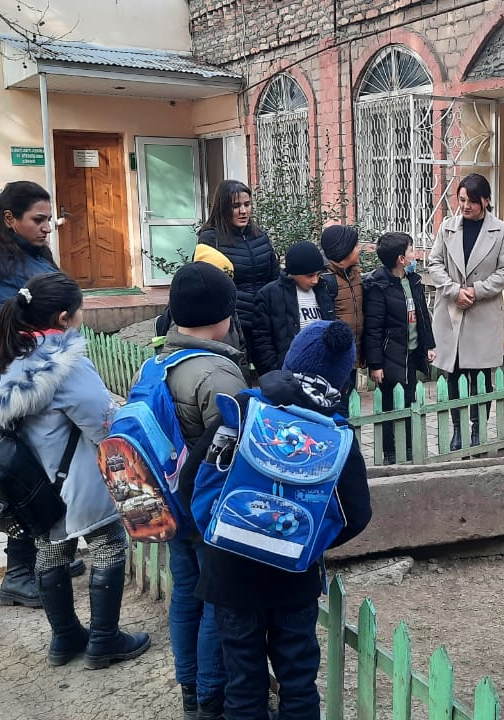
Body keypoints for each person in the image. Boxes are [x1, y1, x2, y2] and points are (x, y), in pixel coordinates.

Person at [194, 320, 372, 720]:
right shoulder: (336, 434)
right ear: (341, 378)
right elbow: (358, 513)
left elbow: (194, 481)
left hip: (230, 573)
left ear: (292, 359)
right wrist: (308, 542)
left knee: (243, 682)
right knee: (298, 681)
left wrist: (219, 533)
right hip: (293, 576)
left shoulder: (242, 409)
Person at [0, 272, 151, 670]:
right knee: (108, 544)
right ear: (64, 317)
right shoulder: (66, 366)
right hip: (77, 481)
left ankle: (64, 637)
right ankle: (105, 639)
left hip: (35, 487)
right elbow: (103, 425)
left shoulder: (6, 363)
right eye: (80, 310)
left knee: (51, 549)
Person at [0, 181, 82, 607]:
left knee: (53, 468)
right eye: (38, 220)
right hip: (10, 385)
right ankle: (19, 574)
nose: (47, 227)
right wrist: (16, 387)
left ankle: (49, 554)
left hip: (38, 377)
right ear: (10, 219)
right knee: (26, 474)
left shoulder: (30, 255)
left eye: (49, 219)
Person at [156, 262, 248, 720]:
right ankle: (213, 697)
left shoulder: (159, 362)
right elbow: (236, 450)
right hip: (207, 510)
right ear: (224, 314)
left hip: (170, 504)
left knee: (184, 595)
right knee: (216, 600)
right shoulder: (218, 375)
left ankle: (190, 690)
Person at [425, 173, 504, 451]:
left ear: (485, 201)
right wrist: (454, 290)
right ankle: (458, 430)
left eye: (472, 201)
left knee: (480, 378)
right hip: (452, 311)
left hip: (482, 312)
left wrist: (477, 290)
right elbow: (434, 263)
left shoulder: (500, 230)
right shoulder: (447, 228)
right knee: (453, 376)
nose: (465, 206)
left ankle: (478, 430)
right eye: (462, 200)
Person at [363, 232, 436, 465]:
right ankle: (390, 451)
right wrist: (375, 364)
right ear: (400, 259)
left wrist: (428, 345)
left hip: (411, 354)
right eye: (411, 250)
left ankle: (409, 448)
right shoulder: (378, 286)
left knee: (409, 400)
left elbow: (423, 317)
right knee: (388, 405)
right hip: (389, 356)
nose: (415, 254)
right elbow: (373, 328)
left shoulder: (414, 281)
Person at [197, 180, 277, 370]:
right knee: (237, 378)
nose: (243, 211)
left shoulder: (260, 236)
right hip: (232, 326)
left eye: (247, 204)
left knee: (273, 376)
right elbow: (207, 285)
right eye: (235, 206)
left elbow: (274, 276)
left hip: (263, 322)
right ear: (223, 208)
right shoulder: (211, 239)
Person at [251, 241, 336, 376]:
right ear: (294, 272)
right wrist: (275, 371)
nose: (315, 280)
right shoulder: (269, 295)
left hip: (321, 368)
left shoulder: (323, 291)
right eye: (309, 275)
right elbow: (262, 340)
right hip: (287, 372)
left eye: (318, 274)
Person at [319, 224, 366, 385]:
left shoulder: (355, 274)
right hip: (335, 357)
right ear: (344, 250)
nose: (359, 249)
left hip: (353, 354)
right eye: (355, 246)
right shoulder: (326, 280)